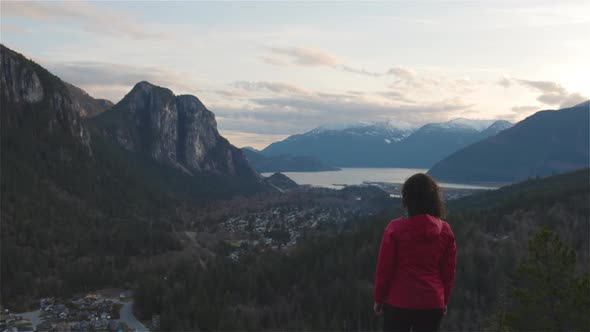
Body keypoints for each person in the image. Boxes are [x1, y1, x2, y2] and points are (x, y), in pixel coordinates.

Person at [373, 173, 456, 332]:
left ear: (407, 199)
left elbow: (384, 269)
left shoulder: (394, 229)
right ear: (434, 199)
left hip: (398, 301)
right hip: (432, 302)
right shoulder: (445, 231)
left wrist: (379, 298)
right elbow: (448, 272)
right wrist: (444, 299)